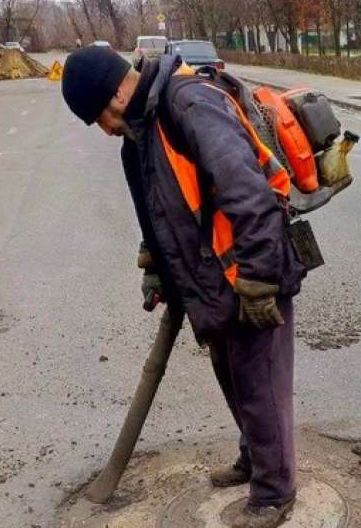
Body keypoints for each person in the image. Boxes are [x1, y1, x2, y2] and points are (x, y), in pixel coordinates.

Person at [61, 47, 305, 527]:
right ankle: (256, 459)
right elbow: (157, 213)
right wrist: (155, 270)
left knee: (261, 388)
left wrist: (258, 279)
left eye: (98, 117)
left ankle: (275, 493)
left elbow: (247, 188)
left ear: (115, 92)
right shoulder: (140, 135)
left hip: (250, 276)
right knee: (234, 379)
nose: (103, 128)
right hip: (210, 285)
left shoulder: (188, 102)